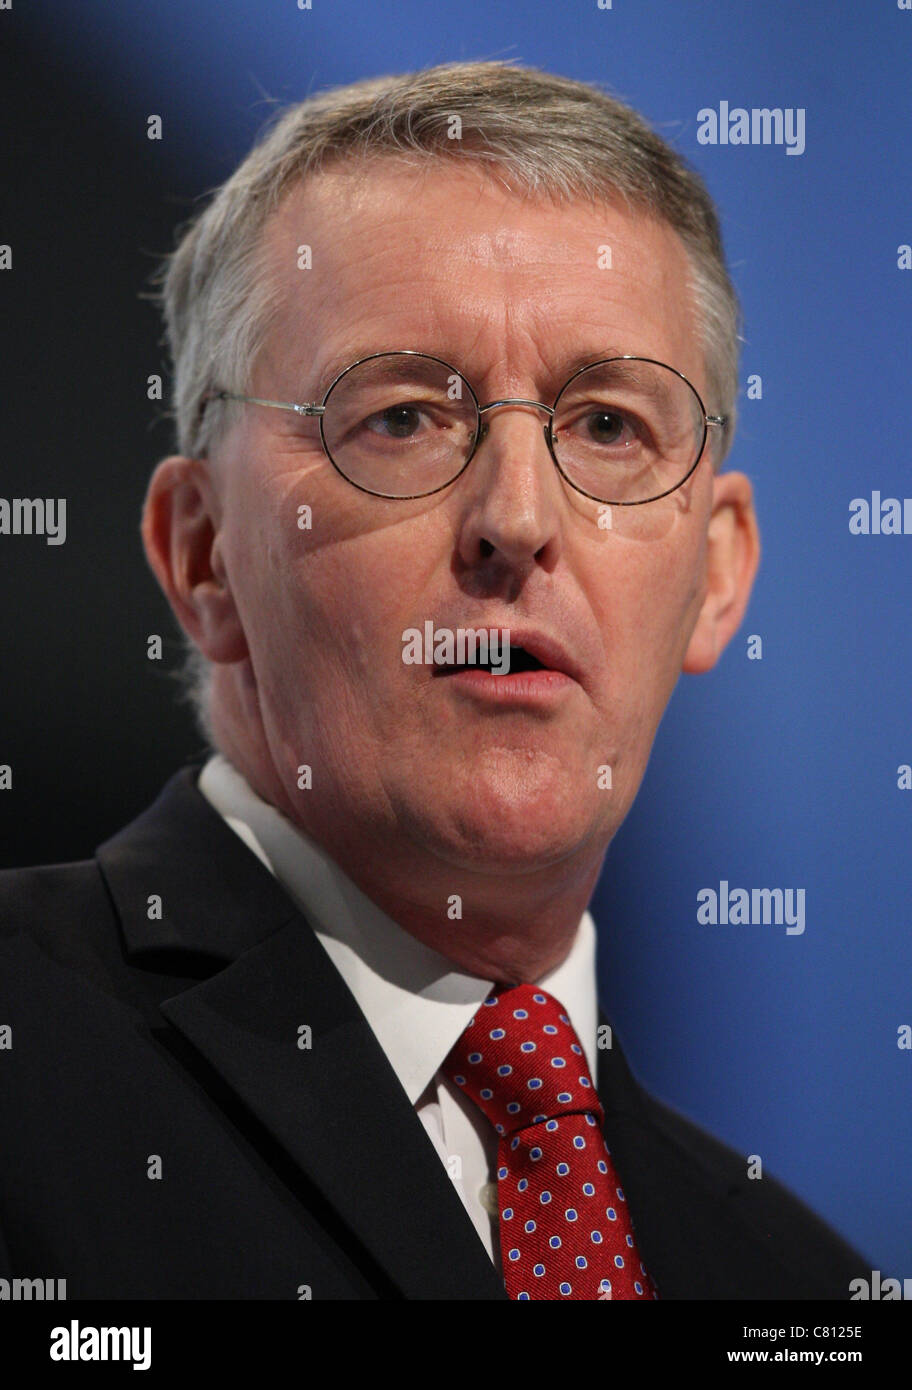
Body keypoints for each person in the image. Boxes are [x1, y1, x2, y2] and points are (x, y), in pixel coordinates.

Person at [0, 59, 866, 1300]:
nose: (517, 517)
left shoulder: (802, 1289)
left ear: (718, 576)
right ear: (204, 555)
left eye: (609, 425)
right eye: (403, 416)